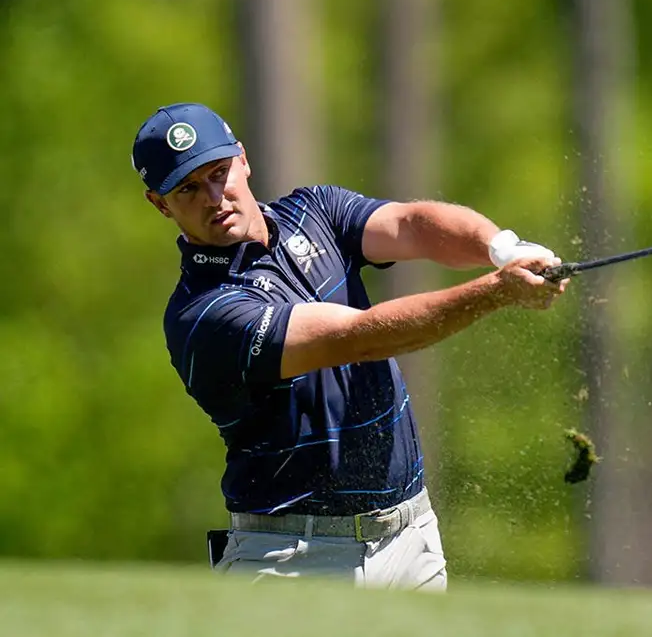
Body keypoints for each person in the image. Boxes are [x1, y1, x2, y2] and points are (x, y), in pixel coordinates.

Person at [131, 102, 569, 590]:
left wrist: (501, 247)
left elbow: (411, 225)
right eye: (188, 188)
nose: (214, 197)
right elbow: (360, 338)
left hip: (410, 538)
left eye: (219, 173)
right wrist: (496, 291)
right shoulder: (203, 314)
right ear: (160, 203)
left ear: (243, 159)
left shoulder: (314, 211)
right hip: (294, 557)